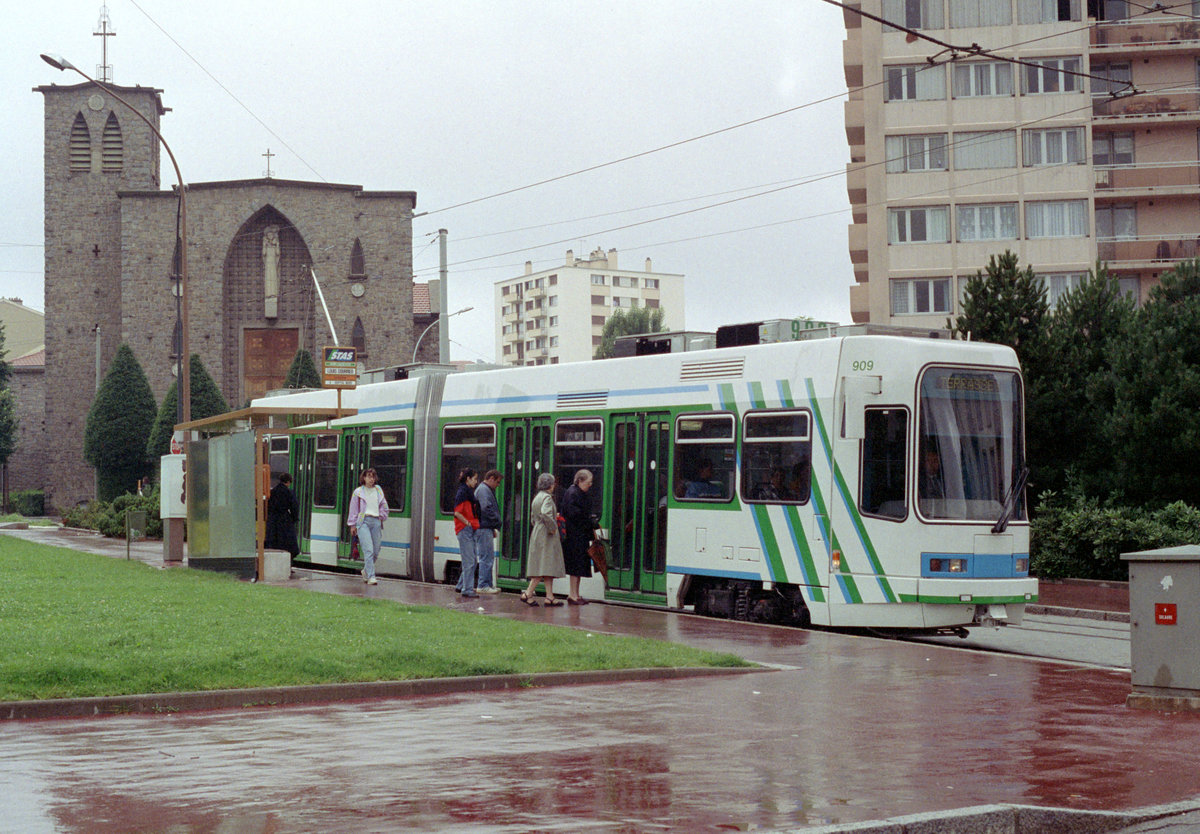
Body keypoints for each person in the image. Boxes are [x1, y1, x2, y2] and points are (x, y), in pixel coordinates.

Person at [522, 472, 565, 607]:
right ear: (551, 485)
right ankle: (528, 593)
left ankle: (549, 596)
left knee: (546, 565)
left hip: (538, 532)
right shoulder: (547, 498)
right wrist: (552, 527)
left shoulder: (537, 497)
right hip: (546, 534)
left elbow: (533, 517)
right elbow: (546, 514)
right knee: (544, 564)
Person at [560, 469, 599, 605]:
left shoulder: (577, 493)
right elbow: (574, 515)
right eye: (588, 482)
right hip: (574, 537)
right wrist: (589, 521)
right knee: (575, 566)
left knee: (578, 567)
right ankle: (573, 594)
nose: (590, 485)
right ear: (580, 481)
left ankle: (575, 594)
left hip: (579, 536)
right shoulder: (572, 494)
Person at [347, 468, 388, 585]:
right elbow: (353, 509)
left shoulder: (378, 490)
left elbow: (384, 506)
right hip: (363, 522)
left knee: (376, 550)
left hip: (376, 522)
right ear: (364, 478)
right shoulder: (358, 492)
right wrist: (352, 525)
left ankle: (365, 570)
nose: (371, 479)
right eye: (369, 476)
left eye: (373, 477)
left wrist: (382, 515)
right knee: (368, 550)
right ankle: (371, 576)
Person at [452, 468, 482, 599]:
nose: (476, 482)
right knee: (470, 560)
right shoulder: (464, 492)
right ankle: (467, 589)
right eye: (474, 479)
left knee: (471, 560)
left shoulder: (466, 491)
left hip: (467, 529)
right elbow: (457, 513)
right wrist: (468, 523)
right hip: (465, 530)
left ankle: (461, 585)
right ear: (468, 479)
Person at [474, 470, 504, 594]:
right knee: (486, 557)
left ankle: (488, 584)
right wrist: (497, 521)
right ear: (491, 478)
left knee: (488, 557)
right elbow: (486, 508)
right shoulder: (483, 490)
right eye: (497, 482)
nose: (498, 485)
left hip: (486, 527)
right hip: (483, 528)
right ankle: (483, 585)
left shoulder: (484, 489)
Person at [265, 472, 300, 557]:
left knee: (274, 544)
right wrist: (294, 519)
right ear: (288, 482)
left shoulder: (272, 492)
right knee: (289, 546)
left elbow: (268, 506)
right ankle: (288, 565)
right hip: (284, 521)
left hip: (273, 521)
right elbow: (294, 507)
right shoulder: (289, 492)